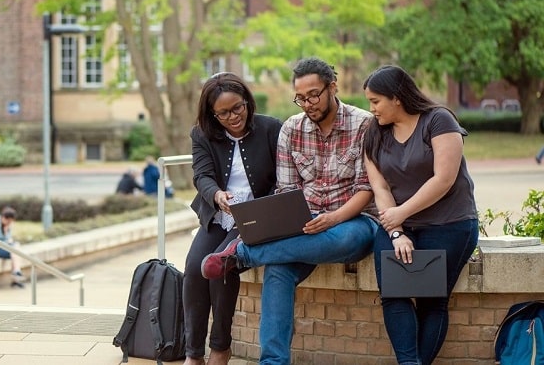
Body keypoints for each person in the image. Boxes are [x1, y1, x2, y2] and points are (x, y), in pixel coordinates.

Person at [200, 57, 378, 365]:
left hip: (352, 220)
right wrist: (292, 220)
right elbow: (287, 191)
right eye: (300, 98)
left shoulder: (363, 124)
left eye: (313, 95)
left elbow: (366, 189)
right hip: (305, 224)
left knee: (339, 238)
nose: (307, 103)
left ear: (332, 87)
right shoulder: (291, 129)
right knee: (278, 269)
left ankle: (242, 255)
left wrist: (332, 219)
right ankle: (273, 361)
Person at [362, 64, 479, 365]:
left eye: (375, 101)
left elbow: (444, 179)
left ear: (397, 97)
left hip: (450, 222)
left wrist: (401, 213)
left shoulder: (439, 120)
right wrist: (397, 230)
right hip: (397, 223)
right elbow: (380, 187)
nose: (371, 108)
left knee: (432, 300)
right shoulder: (373, 133)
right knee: (393, 294)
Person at [184, 72, 282, 365]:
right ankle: (193, 353)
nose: (233, 116)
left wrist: (265, 207)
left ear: (247, 102)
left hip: (257, 215)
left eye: (238, 107)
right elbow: (201, 175)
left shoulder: (271, 128)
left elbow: (284, 177)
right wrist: (217, 196)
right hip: (219, 214)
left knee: (219, 266)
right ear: (212, 114)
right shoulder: (201, 133)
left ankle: (220, 347)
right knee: (193, 269)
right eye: (223, 113)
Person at [0, 206, 26, 288]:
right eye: (8, 221)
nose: (9, 224)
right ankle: (16, 273)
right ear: (4, 217)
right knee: (14, 251)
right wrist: (7, 241)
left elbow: (8, 239)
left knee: (16, 248)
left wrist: (7, 234)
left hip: (3, 248)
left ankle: (16, 275)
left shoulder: (6, 225)